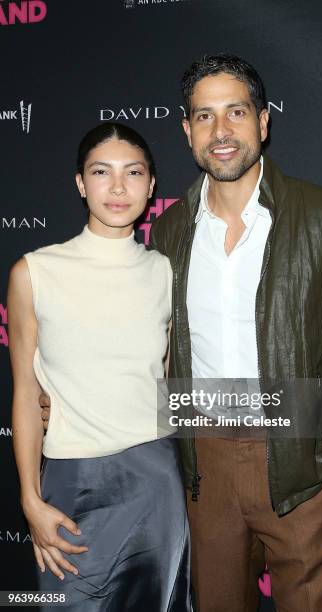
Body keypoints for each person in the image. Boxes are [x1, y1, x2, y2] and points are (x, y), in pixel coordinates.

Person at [40, 55, 322, 612]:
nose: (222, 131)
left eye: (236, 111)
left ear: (263, 121)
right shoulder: (168, 231)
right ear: (187, 132)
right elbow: (139, 345)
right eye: (204, 117)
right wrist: (63, 393)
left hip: (306, 464)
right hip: (201, 469)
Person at [8, 122, 191, 611]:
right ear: (79, 183)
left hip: (156, 483)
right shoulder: (35, 272)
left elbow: (164, 379)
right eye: (100, 172)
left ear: (151, 186)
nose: (116, 187)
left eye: (133, 173)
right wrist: (30, 500)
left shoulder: (164, 273)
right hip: (75, 483)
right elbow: (26, 394)